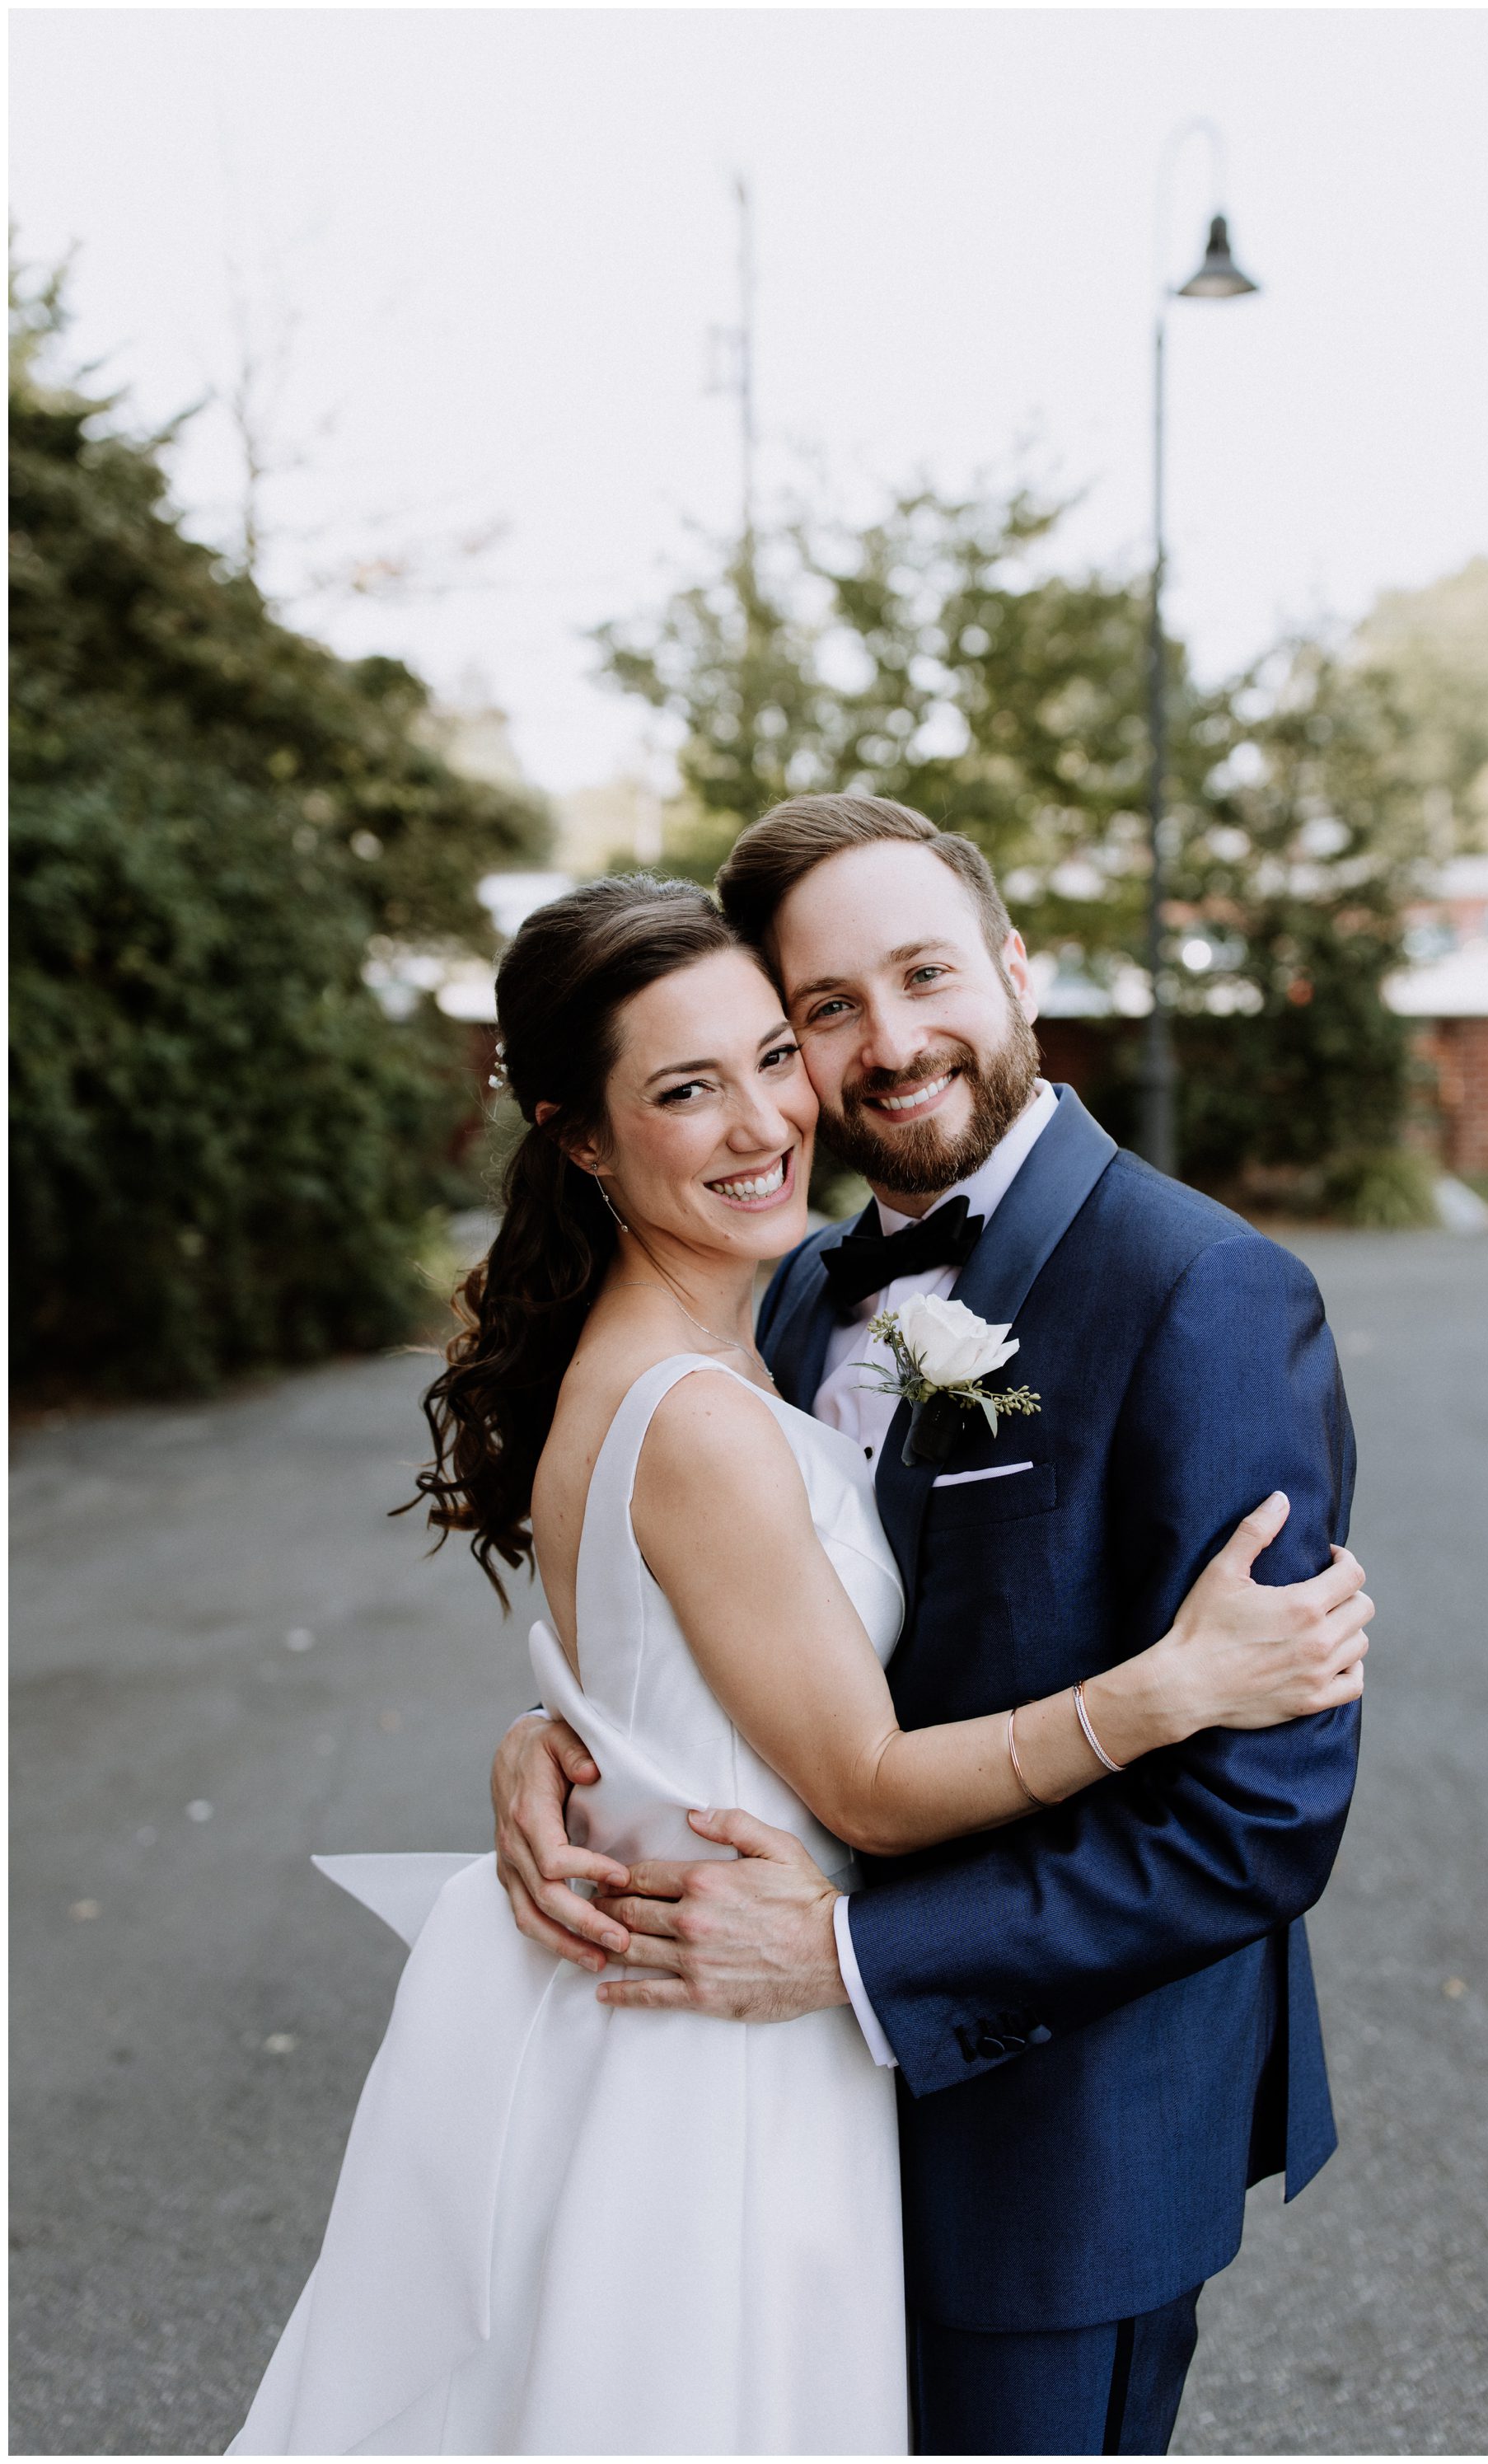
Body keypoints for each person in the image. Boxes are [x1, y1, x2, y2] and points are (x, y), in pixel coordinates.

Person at [232, 854, 1370, 2458]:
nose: (876, 1048)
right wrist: (568, 1741)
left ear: (1016, 968)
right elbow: (720, 1618)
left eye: (923, 976)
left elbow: (1257, 1817)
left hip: (1050, 2147)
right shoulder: (777, 1294)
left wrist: (849, 1961)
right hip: (760, 2095)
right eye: (822, 1009)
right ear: (588, 1129)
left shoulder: (1202, 1290)